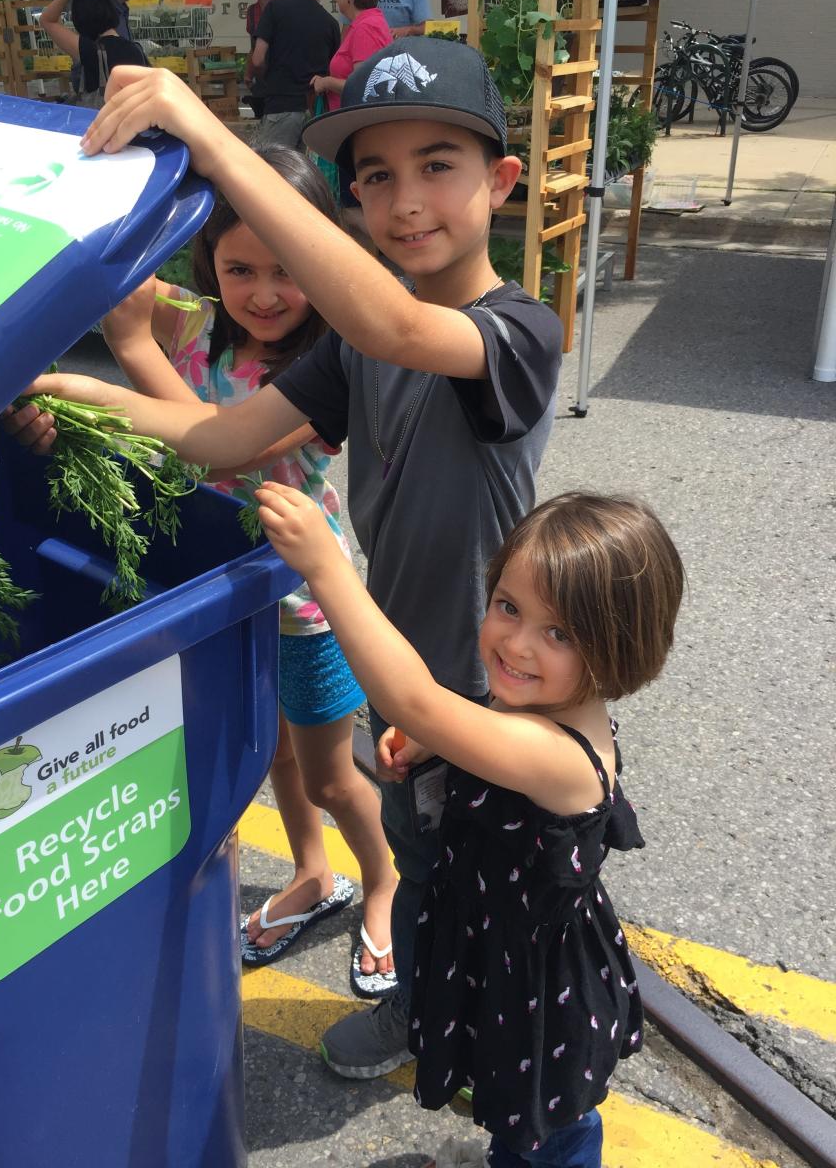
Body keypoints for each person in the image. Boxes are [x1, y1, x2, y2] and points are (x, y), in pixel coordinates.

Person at [5, 38, 563, 1042]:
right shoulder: (354, 346)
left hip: (493, 686)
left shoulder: (517, 334)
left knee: (496, 880)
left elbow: (398, 323)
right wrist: (71, 389)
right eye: (378, 176)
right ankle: (425, 1007)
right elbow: (220, 437)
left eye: (438, 163)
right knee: (420, 846)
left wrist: (213, 143)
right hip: (401, 667)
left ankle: (509, 1047)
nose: (406, 201)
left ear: (503, 179)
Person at [253, 484, 685, 1166]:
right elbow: (475, 717)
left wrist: (328, 569)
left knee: (550, 1132)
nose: (515, 644)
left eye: (559, 632)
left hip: (544, 990)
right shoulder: (537, 704)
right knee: (514, 1115)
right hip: (501, 953)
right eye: (508, 606)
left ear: (617, 647)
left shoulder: (562, 756)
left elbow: (419, 701)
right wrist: (434, 744)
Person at [97, 146, 399, 995]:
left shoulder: (328, 362)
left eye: (285, 269)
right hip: (227, 599)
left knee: (335, 774)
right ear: (209, 263)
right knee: (272, 757)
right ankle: (311, 875)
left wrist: (124, 341)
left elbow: (217, 452)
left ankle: (382, 881)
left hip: (308, 603)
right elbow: (101, 270)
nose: (264, 293)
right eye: (239, 268)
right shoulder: (195, 320)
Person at [250, 0, 340, 150]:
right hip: (315, 113)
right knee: (306, 178)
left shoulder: (274, 9)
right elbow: (334, 71)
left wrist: (267, 79)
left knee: (272, 174)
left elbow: (257, 59)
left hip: (280, 106)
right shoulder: (331, 23)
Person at [39, 0, 148, 102]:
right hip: (135, 118)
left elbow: (47, 20)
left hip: (103, 118)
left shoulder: (88, 49)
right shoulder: (136, 50)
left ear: (80, 20)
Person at [311, 0, 391, 111]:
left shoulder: (365, 29)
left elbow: (363, 85)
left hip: (355, 124)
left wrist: (326, 82)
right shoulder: (369, 23)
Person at [243, 0, 282, 120]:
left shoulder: (283, 9)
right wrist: (248, 73)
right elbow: (254, 46)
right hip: (262, 82)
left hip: (281, 83)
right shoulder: (252, 12)